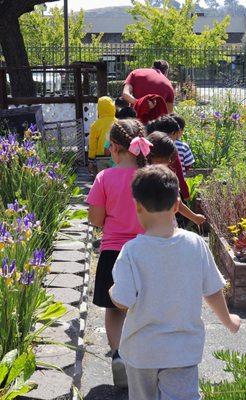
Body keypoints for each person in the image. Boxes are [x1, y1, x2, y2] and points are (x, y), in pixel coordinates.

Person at [109, 165, 241, 400]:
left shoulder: (131, 252)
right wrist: (228, 321)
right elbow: (211, 290)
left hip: (142, 351)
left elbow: (123, 301)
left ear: (137, 206)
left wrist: (112, 291)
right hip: (182, 350)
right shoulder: (195, 244)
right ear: (177, 205)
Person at [86, 119, 153, 388]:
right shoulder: (151, 177)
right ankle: (147, 358)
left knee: (114, 308)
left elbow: (96, 219)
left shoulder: (105, 178)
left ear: (114, 148)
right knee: (145, 305)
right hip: (148, 251)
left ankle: (119, 355)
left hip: (114, 251)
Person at [147, 131, 205, 226]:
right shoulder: (167, 176)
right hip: (167, 227)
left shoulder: (140, 175)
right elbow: (178, 204)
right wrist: (195, 218)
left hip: (144, 227)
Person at [146, 115, 190, 200]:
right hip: (168, 194)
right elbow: (179, 175)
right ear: (173, 133)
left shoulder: (147, 144)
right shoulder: (170, 149)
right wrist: (186, 195)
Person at [88, 96, 117, 176]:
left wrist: (91, 159)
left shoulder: (95, 125)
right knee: (114, 178)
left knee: (102, 179)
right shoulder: (118, 122)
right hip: (115, 155)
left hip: (100, 157)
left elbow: (92, 144)